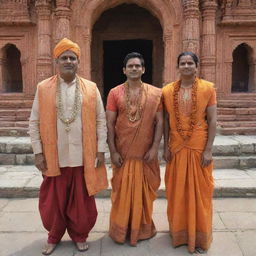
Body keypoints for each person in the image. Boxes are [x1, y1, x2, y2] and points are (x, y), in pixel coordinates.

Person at [29, 38, 108, 255]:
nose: (68, 61)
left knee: (82, 201)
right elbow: (34, 122)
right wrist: (38, 152)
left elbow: (101, 120)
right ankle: (53, 236)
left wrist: (101, 150)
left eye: (72, 58)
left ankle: (80, 235)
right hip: (55, 155)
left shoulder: (91, 88)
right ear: (56, 61)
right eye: (64, 57)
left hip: (84, 155)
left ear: (78, 62)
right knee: (53, 202)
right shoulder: (43, 88)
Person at [106, 52, 163, 246]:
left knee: (143, 196)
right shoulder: (114, 93)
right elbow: (110, 123)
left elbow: (160, 122)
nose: (134, 69)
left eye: (137, 66)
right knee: (122, 193)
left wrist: (155, 147)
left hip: (146, 153)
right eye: (130, 66)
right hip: (123, 153)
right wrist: (112, 151)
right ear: (124, 70)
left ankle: (143, 229)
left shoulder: (156, 94)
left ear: (143, 69)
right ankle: (121, 230)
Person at [162, 52, 217, 254]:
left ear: (196, 66)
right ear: (178, 66)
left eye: (190, 63)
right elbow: (166, 120)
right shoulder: (167, 91)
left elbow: (212, 120)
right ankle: (180, 233)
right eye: (182, 63)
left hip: (198, 146)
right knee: (177, 192)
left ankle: (200, 236)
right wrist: (166, 146)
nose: (186, 66)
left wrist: (209, 149)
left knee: (200, 192)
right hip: (176, 147)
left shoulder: (208, 88)